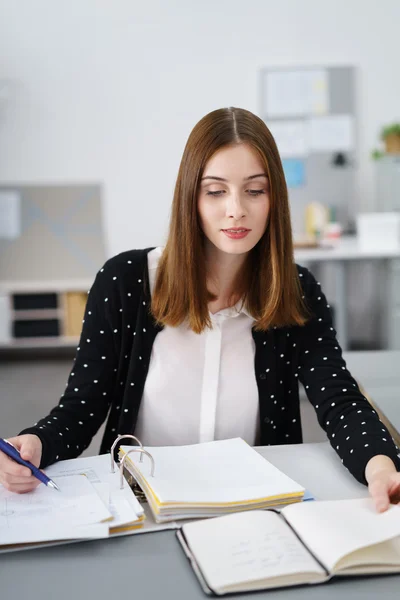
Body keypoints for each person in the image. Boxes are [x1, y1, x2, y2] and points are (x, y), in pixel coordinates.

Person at [1, 107, 399, 511]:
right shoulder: (125, 282)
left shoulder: (297, 291)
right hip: (141, 508)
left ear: (274, 197)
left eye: (255, 190)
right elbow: (82, 408)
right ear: (191, 196)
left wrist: (381, 467)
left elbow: (339, 401)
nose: (236, 209)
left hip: (256, 508)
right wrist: (36, 442)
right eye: (216, 191)